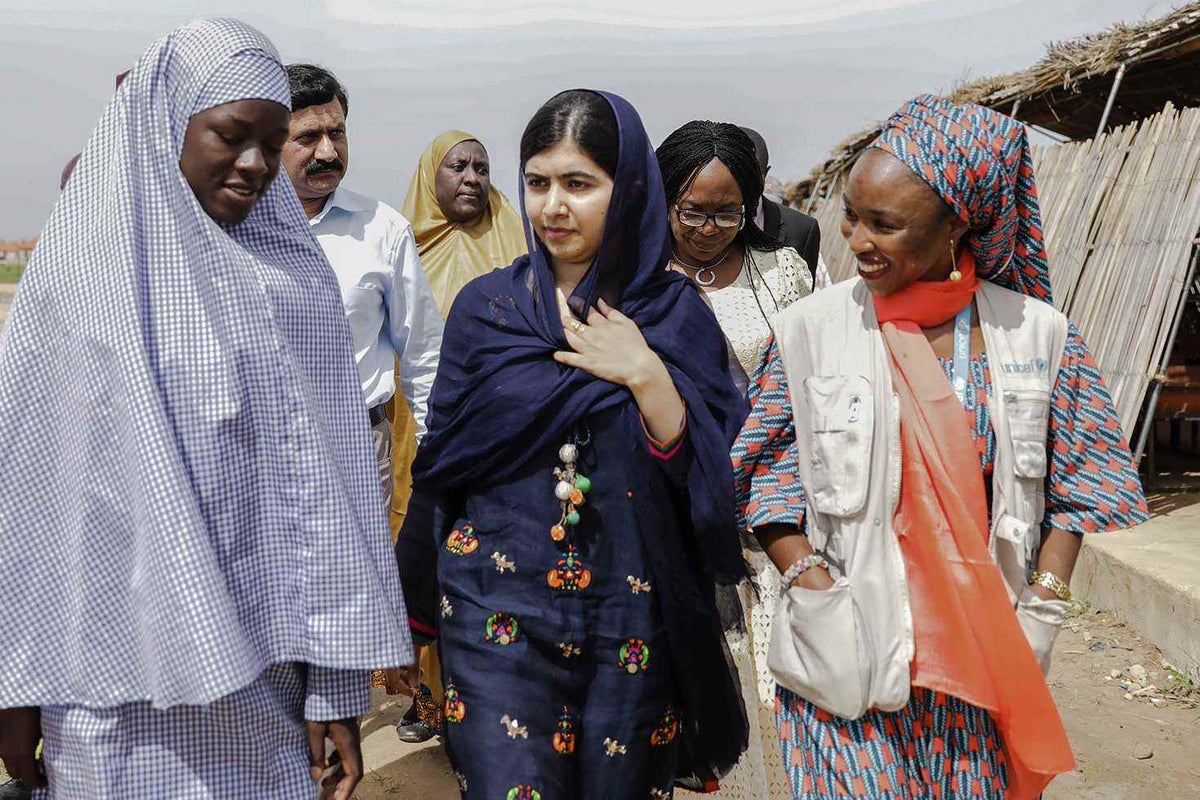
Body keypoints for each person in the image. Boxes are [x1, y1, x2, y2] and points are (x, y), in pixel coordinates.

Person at [0, 18, 411, 800]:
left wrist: (334, 690)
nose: (256, 165)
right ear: (165, 127)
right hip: (107, 692)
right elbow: (27, 504)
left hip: (261, 686)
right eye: (230, 135)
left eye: (273, 139)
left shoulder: (295, 289)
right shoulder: (73, 288)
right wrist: (14, 686)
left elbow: (326, 501)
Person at [734, 94, 1150, 800]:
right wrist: (809, 579)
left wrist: (1044, 601)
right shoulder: (810, 332)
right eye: (851, 218)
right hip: (850, 655)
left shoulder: (1037, 337)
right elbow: (764, 476)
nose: (857, 241)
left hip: (982, 660)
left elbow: (1080, 486)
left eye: (884, 225)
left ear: (958, 221)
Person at [396, 89, 749, 798]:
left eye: (579, 184)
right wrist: (408, 609)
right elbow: (443, 463)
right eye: (537, 182)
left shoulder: (671, 314)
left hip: (631, 614)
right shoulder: (487, 310)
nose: (553, 205)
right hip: (494, 612)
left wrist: (649, 378)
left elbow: (712, 476)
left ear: (629, 192)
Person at [653, 120, 810, 800]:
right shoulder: (639, 279)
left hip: (776, 505)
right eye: (693, 210)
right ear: (662, 200)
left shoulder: (786, 273)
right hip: (678, 506)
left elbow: (815, 379)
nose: (711, 227)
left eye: (728, 211)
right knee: (711, 671)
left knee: (784, 675)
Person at [390, 131, 527, 743]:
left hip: (502, 434)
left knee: (490, 559)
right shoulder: (399, 244)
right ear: (429, 176)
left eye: (481, 166)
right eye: (456, 166)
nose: (471, 176)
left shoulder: (516, 238)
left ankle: (489, 695)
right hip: (414, 430)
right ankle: (428, 696)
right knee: (419, 554)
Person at [281, 63, 442, 523]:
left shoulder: (382, 230)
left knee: (357, 589)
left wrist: (436, 451)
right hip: (259, 447)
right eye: (308, 137)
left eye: (338, 133)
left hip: (358, 444)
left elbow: (423, 352)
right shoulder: (234, 226)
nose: (328, 151)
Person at [739, 127, 822, 283]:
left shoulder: (801, 230)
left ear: (765, 174)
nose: (742, 186)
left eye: (751, 177)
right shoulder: (699, 223)